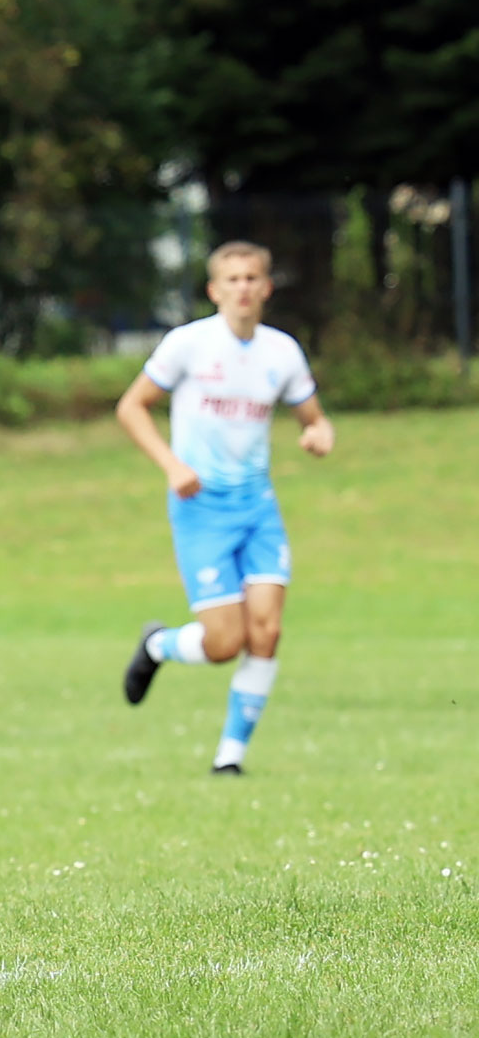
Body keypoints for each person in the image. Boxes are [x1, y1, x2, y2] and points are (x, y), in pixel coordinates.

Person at [117, 241, 334, 773]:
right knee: (224, 642)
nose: (242, 287)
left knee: (268, 631)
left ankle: (229, 758)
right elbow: (132, 407)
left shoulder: (282, 352)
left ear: (266, 288)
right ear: (215, 290)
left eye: (252, 278)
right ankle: (158, 646)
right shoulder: (188, 344)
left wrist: (319, 431)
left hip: (257, 508)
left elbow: (312, 416)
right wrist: (173, 466)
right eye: (232, 279)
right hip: (200, 508)